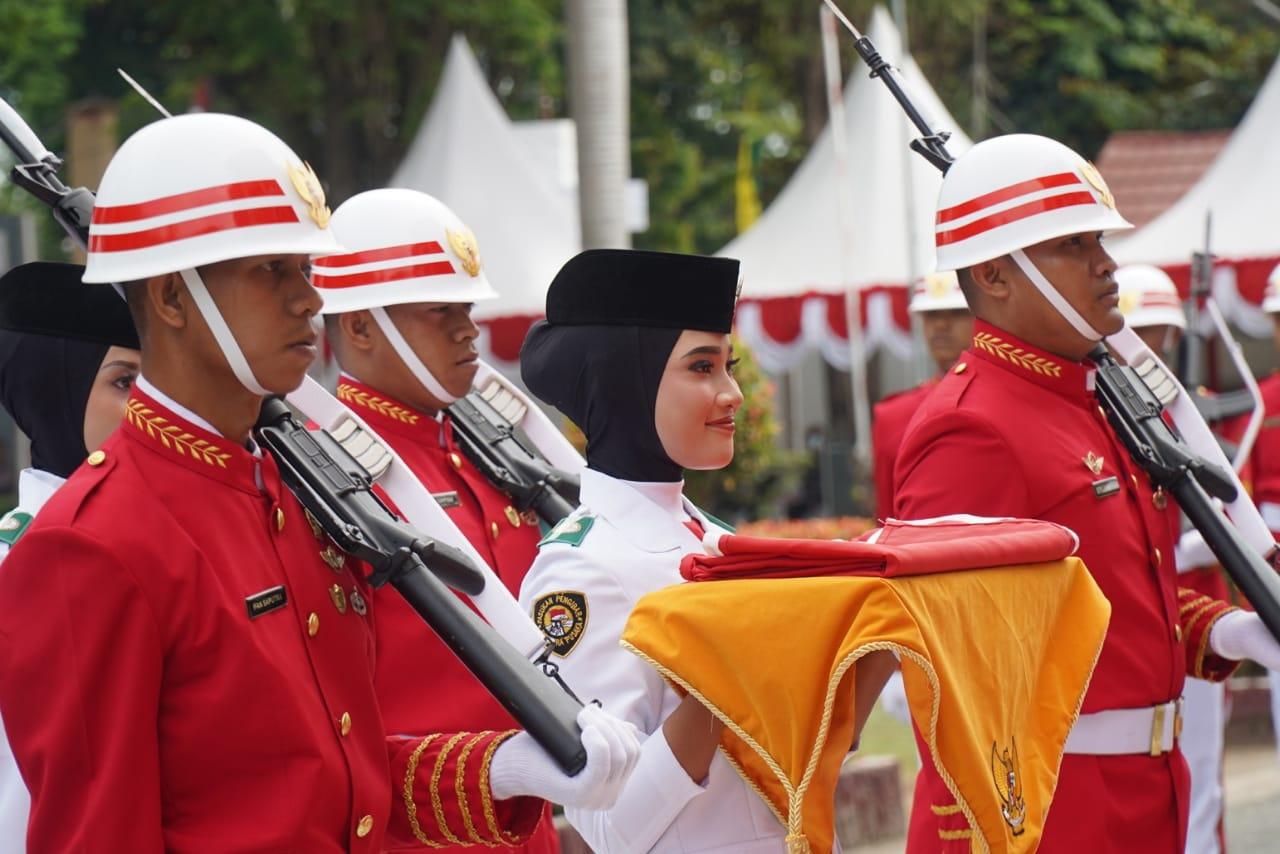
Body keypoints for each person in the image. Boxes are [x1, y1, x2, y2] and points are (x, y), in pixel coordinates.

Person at [0, 112, 639, 853]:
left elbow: (340, 776)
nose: (309, 299)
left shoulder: (299, 493)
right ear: (173, 300)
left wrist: (497, 769)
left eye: (306, 270)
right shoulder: (92, 546)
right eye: (271, 270)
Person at [893, 133, 1280, 852]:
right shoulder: (971, 428)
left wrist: (1224, 631)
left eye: (1098, 239)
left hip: (1147, 792)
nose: (1106, 263)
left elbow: (1118, 592)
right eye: (1071, 245)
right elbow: (948, 661)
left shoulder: (1099, 402)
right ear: (996, 277)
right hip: (1054, 810)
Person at [518, 249, 884, 852]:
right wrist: (726, 681)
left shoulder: (715, 540)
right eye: (701, 368)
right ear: (625, 383)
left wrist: (878, 628)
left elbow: (813, 752)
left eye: (727, 366)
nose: (733, 393)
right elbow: (605, 826)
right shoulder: (581, 569)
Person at [315, 188, 558, 853]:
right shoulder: (322, 475)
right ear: (360, 328)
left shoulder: (486, 451)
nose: (467, 329)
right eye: (438, 311)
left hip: (531, 829)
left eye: (466, 308)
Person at [0, 261, 141, 853]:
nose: (151, 411)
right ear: (52, 388)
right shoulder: (18, 563)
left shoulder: (146, 536)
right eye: (125, 382)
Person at [1116, 262, 1228, 854]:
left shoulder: (1194, 412)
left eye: (1158, 330)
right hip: (1140, 608)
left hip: (1200, 605)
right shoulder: (1105, 414)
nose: (1147, 343)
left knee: (1203, 758)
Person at [871, 271, 973, 519]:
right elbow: (887, 516)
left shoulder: (1005, 398)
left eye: (957, 313)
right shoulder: (892, 415)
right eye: (931, 316)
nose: (940, 325)